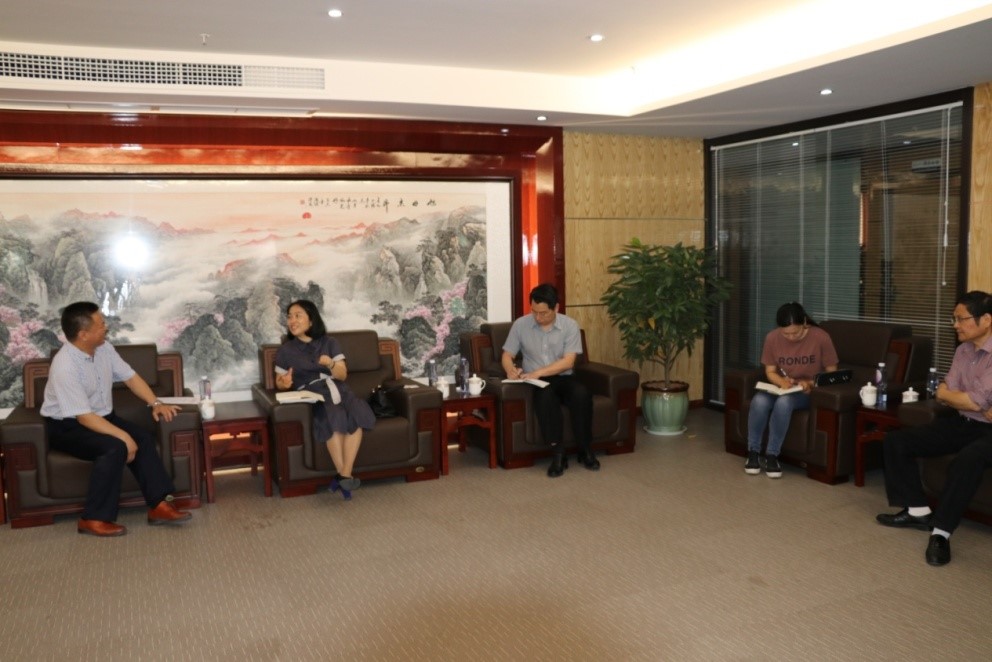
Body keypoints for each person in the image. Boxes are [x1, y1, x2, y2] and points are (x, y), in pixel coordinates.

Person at [40, 301, 193, 537]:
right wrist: (123, 437)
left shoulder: (104, 348)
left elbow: (130, 377)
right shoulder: (65, 367)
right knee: (114, 448)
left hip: (102, 416)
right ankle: (93, 518)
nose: (106, 327)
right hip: (68, 426)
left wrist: (156, 403)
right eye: (101, 324)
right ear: (83, 334)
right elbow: (85, 418)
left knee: (143, 438)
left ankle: (159, 506)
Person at [876, 291, 992, 566]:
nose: (955, 325)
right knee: (896, 441)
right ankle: (917, 511)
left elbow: (973, 399)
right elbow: (946, 392)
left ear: (986, 319)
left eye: (961, 319)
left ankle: (941, 533)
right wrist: (967, 401)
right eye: (954, 319)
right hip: (965, 421)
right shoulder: (963, 350)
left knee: (968, 459)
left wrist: (967, 400)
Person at [274, 300, 375, 500]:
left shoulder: (330, 342)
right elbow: (279, 382)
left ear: (311, 320)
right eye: (289, 316)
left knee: (355, 413)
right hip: (313, 395)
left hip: (339, 389)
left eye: (298, 315)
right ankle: (345, 477)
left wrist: (330, 364)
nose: (292, 320)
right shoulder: (285, 350)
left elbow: (342, 375)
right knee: (333, 415)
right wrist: (284, 383)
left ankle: (344, 475)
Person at [502, 283, 597, 478]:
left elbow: (568, 362)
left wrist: (539, 372)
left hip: (563, 377)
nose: (538, 317)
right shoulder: (521, 325)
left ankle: (585, 449)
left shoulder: (570, 326)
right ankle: (558, 453)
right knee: (545, 398)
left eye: (543, 313)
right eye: (534, 312)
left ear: (556, 308)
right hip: (536, 382)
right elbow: (507, 354)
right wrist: (510, 369)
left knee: (581, 394)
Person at [745, 302, 838, 478]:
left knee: (784, 402)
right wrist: (782, 382)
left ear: (804, 323)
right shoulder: (772, 338)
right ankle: (753, 452)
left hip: (806, 392)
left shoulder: (821, 337)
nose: (790, 337)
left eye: (795, 333)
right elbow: (770, 372)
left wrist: (810, 383)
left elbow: (832, 374)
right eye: (785, 333)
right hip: (783, 387)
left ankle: (772, 455)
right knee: (759, 400)